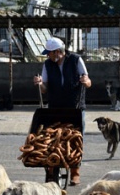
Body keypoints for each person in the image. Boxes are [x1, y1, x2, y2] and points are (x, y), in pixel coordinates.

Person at [33, 37, 92, 186]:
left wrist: (86, 82)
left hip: (75, 106)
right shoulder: (47, 65)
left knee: (75, 140)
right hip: (55, 106)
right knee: (54, 139)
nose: (48, 56)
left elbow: (88, 80)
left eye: (50, 53)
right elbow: (45, 89)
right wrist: (40, 84)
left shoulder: (76, 60)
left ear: (58, 52)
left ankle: (75, 172)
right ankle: (52, 169)